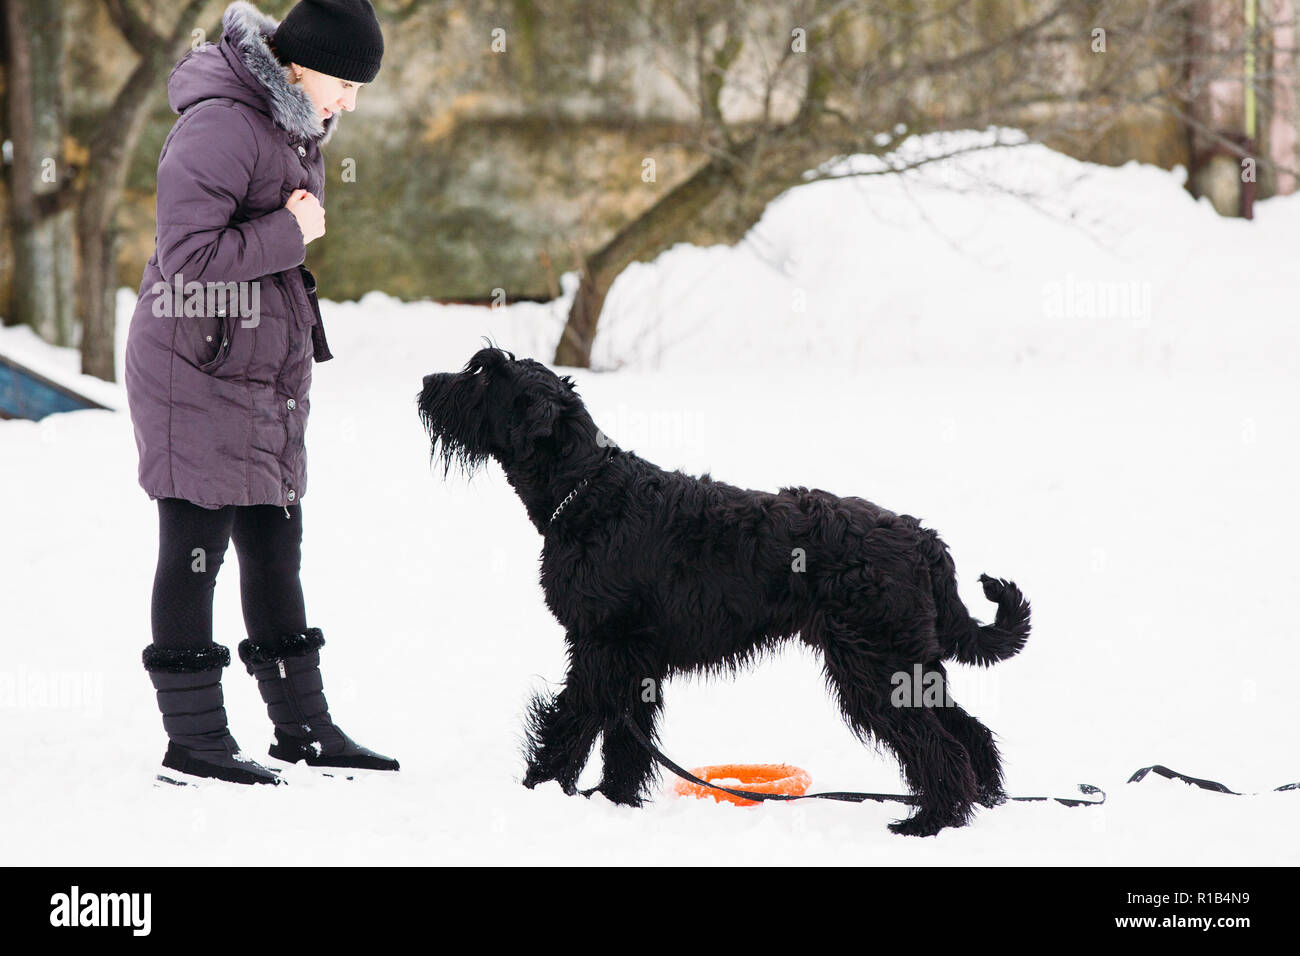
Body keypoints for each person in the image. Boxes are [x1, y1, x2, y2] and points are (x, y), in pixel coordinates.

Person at [123, 0, 397, 784]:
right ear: (299, 66)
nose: (349, 102)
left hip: (257, 372)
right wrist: (291, 231)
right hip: (193, 366)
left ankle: (303, 730)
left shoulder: (288, 125)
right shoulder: (220, 125)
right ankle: (196, 744)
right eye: (343, 83)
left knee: (276, 548)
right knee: (196, 549)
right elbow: (187, 260)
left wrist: (287, 231)